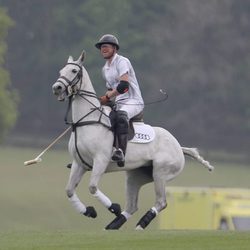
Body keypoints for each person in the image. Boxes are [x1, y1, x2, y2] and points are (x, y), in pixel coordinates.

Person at [95, 34, 144, 167]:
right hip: (120, 102)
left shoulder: (122, 61)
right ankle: (89, 155)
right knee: (100, 116)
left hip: (134, 100)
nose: (103, 49)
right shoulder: (105, 69)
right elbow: (111, 90)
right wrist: (102, 100)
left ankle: (120, 151)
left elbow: (123, 86)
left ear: (114, 49)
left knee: (121, 115)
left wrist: (108, 97)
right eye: (101, 47)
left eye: (106, 46)